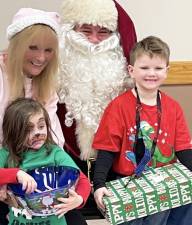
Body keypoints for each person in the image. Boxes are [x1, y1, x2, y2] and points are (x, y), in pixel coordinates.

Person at [0, 7, 88, 225]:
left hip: (41, 179)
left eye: (49, 50)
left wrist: (74, 193)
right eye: (33, 48)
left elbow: (54, 140)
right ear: (17, 46)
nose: (41, 57)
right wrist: (7, 178)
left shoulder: (46, 84)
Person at [92, 36, 192, 225]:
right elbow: (106, 150)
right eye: (144, 67)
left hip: (164, 184)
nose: (151, 73)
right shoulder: (118, 107)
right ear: (131, 70)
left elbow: (183, 149)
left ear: (167, 71)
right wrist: (99, 184)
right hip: (128, 183)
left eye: (158, 68)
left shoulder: (173, 107)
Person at [57, 0, 137, 166]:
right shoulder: (55, 70)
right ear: (70, 29)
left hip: (117, 161)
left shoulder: (127, 76)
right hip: (65, 159)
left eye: (103, 32)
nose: (94, 40)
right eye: (86, 30)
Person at [0, 97, 91, 225]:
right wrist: (16, 174)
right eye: (28, 129)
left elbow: (81, 179)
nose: (37, 132)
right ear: (14, 131)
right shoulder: (6, 153)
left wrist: (79, 199)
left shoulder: (55, 153)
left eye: (41, 126)